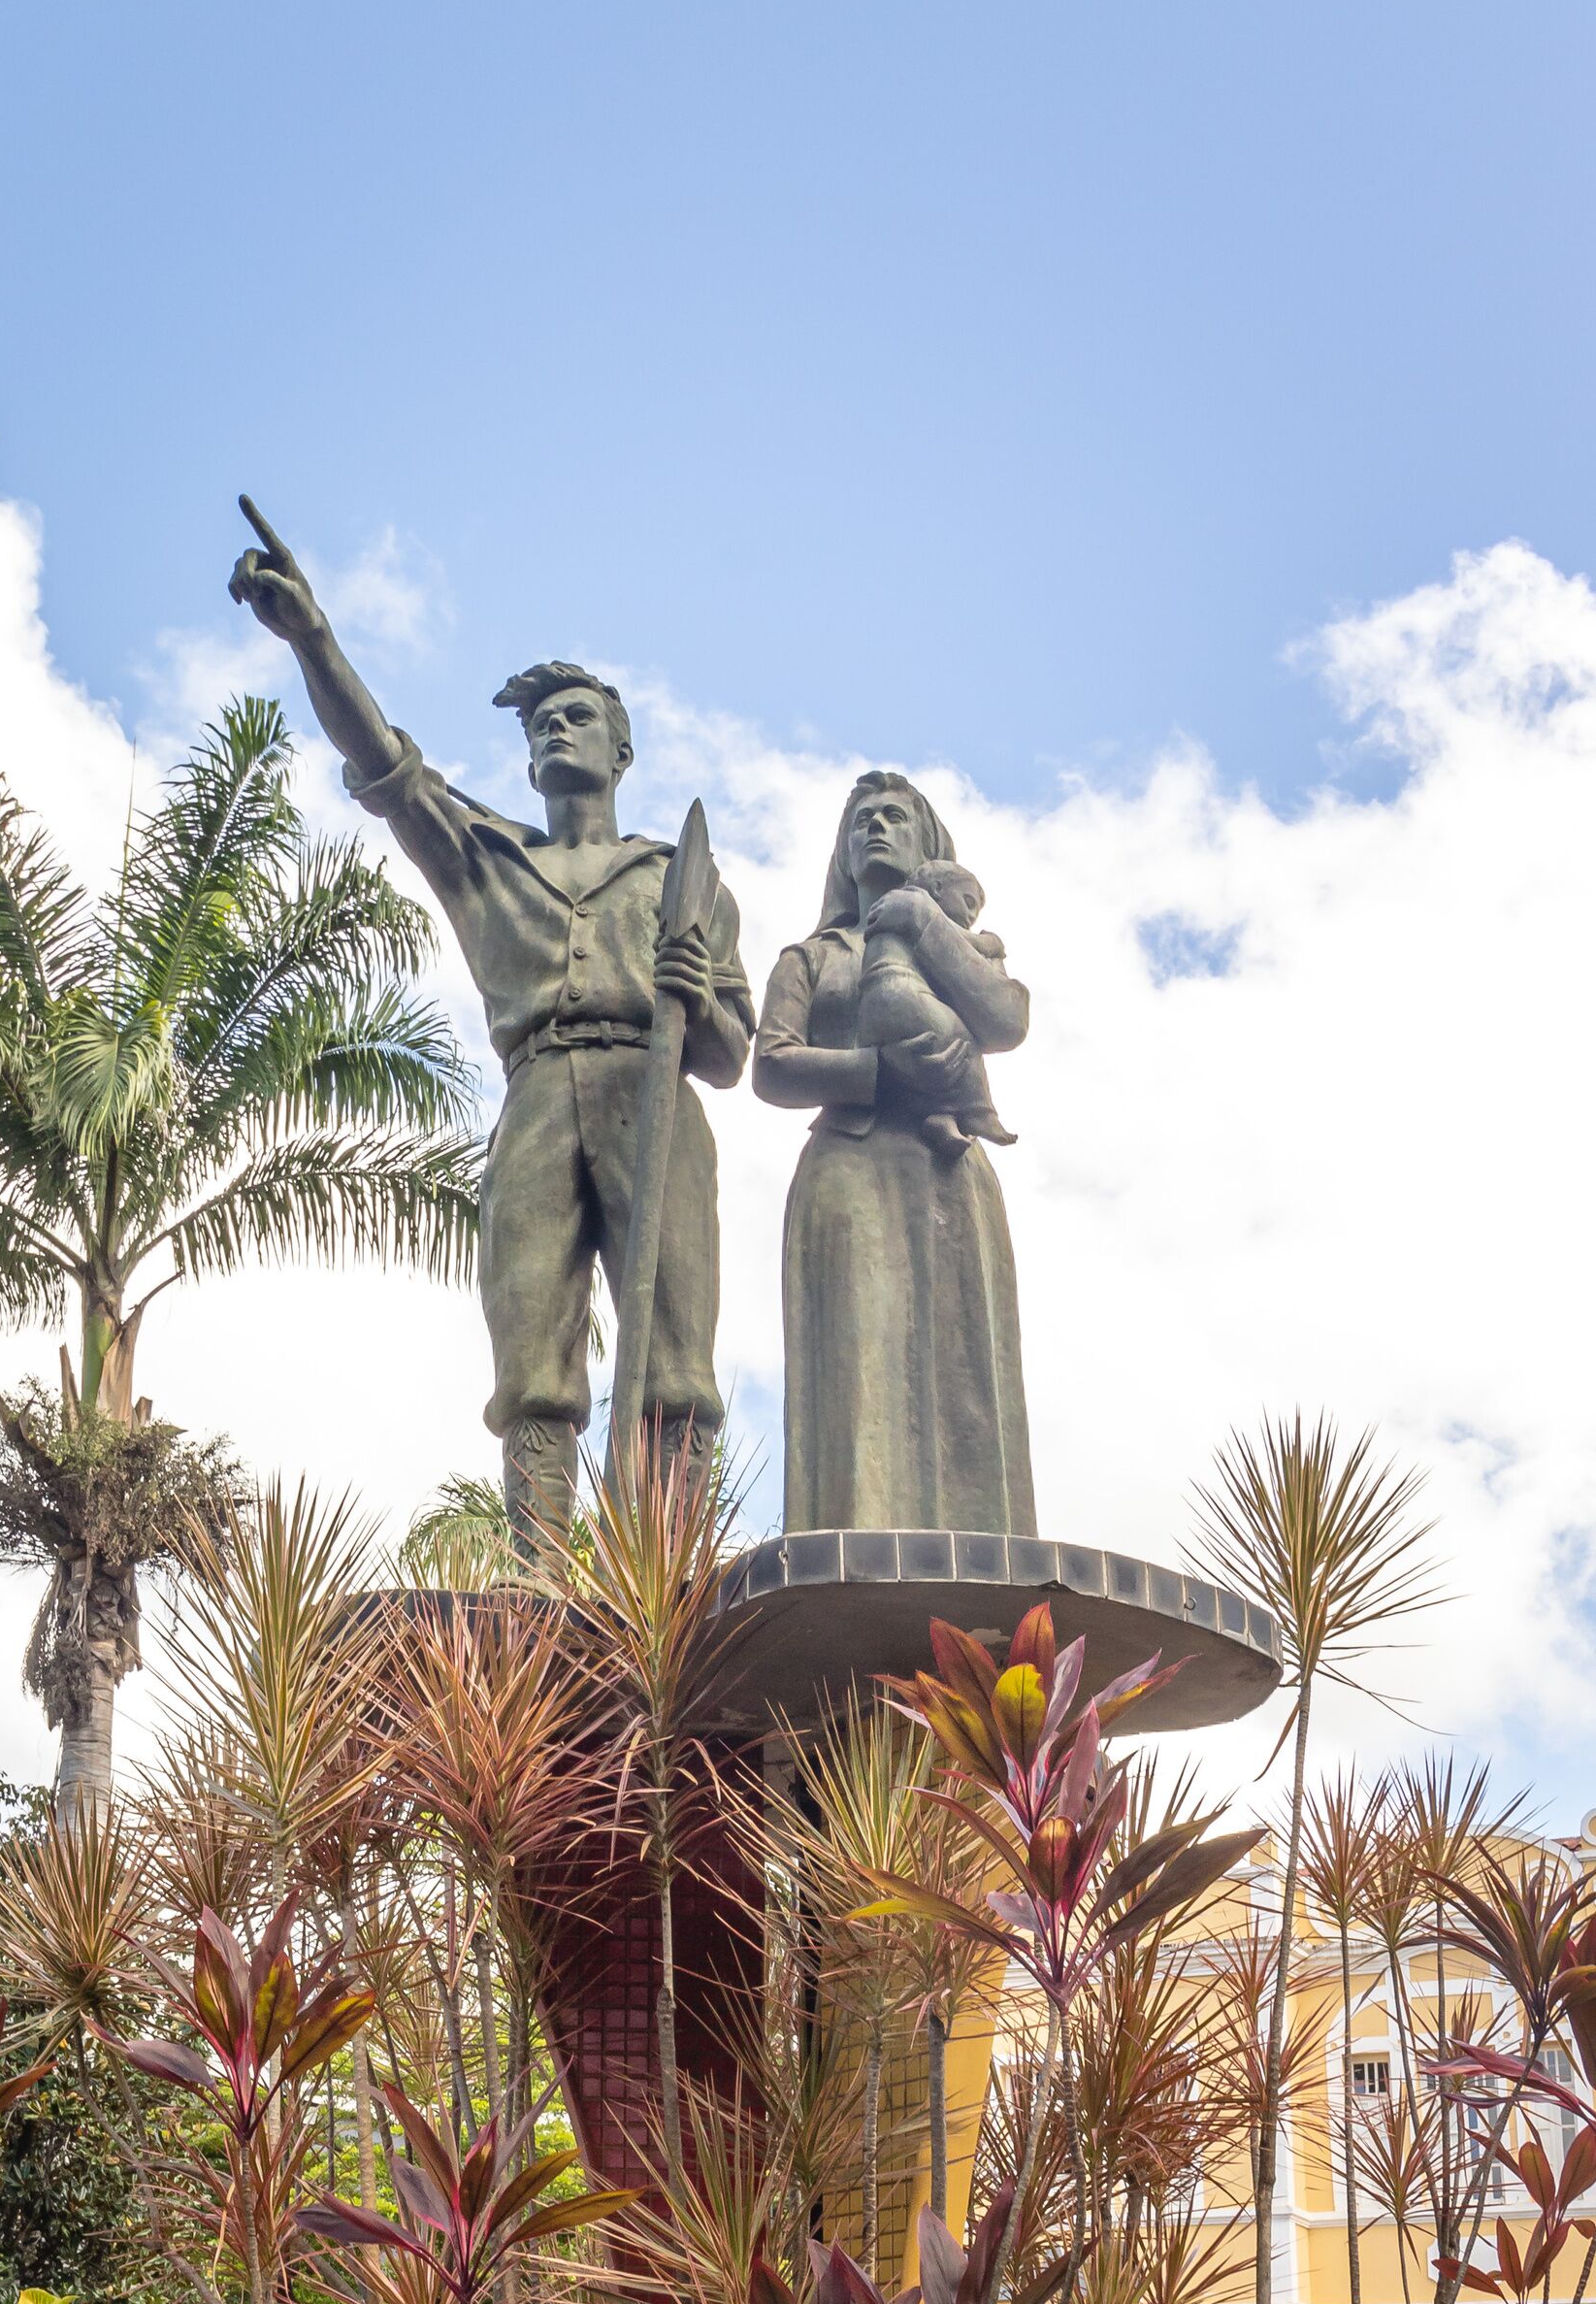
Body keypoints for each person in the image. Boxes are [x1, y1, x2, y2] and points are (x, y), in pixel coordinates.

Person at [230, 504, 752, 1541]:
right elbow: (388, 770)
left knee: (673, 1356)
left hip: (652, 1096)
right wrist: (313, 639)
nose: (555, 728)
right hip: (536, 1099)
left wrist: (694, 994)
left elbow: (732, 1055)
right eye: (538, 724)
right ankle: (541, 1569)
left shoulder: (677, 878)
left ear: (621, 748)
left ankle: (670, 1571)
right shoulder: (486, 862)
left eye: (576, 716)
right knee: (530, 1355)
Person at [755, 771, 1037, 1535]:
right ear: (841, 854)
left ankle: (980, 1551)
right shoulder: (811, 957)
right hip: (848, 1167)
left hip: (949, 1175)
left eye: (892, 817)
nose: (874, 828)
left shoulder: (951, 939)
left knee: (964, 1367)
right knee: (858, 1365)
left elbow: (1004, 1021)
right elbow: (772, 1067)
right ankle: (854, 1545)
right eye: (860, 821)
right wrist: (878, 1073)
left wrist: (922, 923)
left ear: (928, 845)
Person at [855, 858, 1016, 1159]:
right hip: (898, 994)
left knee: (948, 1049)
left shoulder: (914, 916)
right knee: (962, 1041)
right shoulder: (910, 903)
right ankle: (981, 1112)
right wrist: (988, 944)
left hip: (889, 1002)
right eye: (968, 902)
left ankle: (943, 1117)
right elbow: (773, 1063)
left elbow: (1009, 1022)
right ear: (938, 888)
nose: (971, 915)